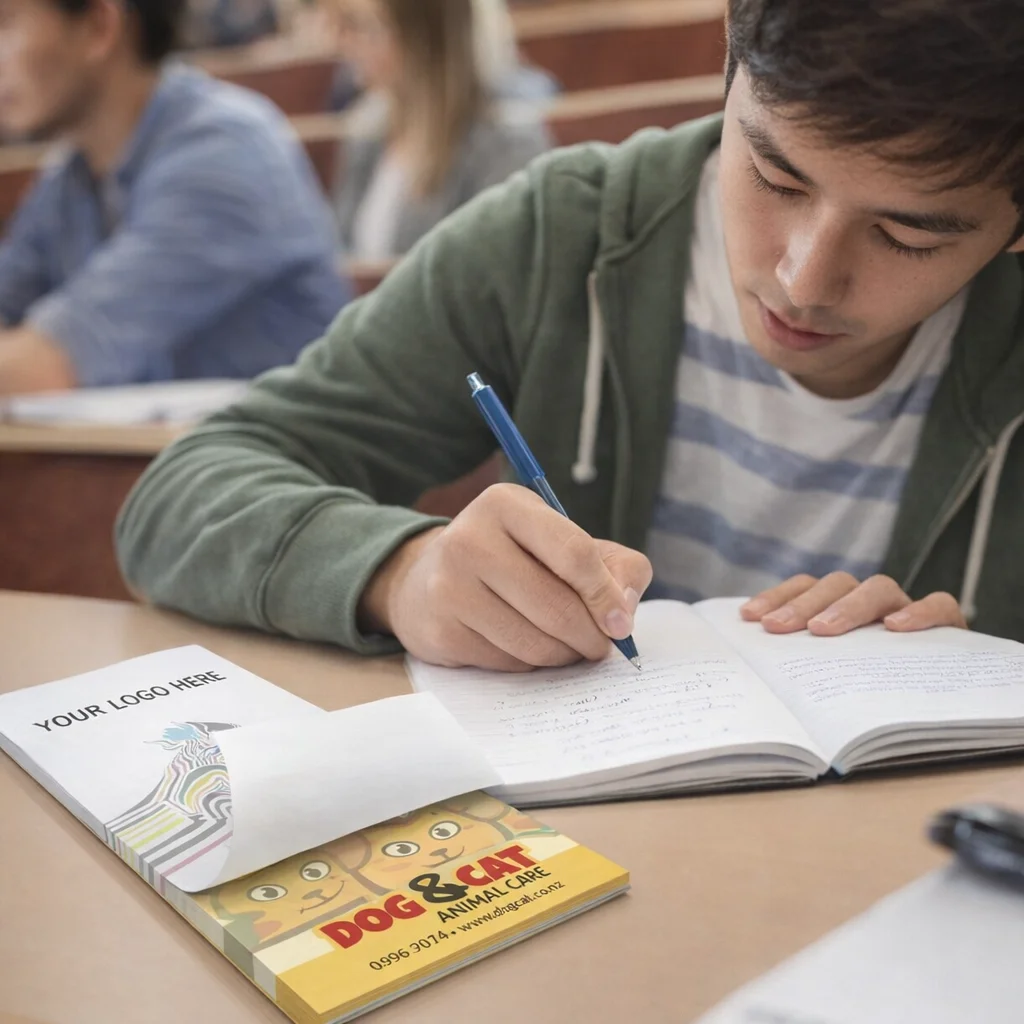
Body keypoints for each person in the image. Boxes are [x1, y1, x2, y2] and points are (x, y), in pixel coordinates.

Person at [117, 0, 1024, 670]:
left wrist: (978, 686)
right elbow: (183, 493)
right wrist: (399, 572)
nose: (803, 279)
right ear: (730, 74)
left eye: (909, 235)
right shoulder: (561, 236)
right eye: (776, 178)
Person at [0, 0, 349, 394]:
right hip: (155, 452)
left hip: (293, 453)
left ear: (100, 27)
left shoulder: (224, 151)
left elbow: (48, 366)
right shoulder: (69, 175)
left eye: (6, 24)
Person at [329, 0, 553, 259]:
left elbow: (495, 280)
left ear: (425, 36)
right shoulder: (367, 128)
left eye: (364, 27)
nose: (344, 43)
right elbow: (342, 255)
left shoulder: (507, 145)